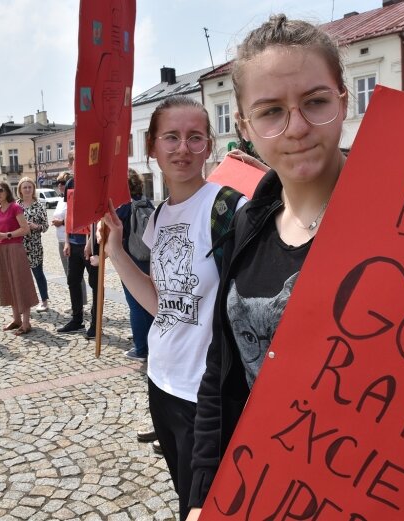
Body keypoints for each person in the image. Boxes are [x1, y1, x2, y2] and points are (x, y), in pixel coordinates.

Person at [186, 16, 349, 519]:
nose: (296, 127)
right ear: (244, 126)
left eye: (316, 102)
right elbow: (221, 371)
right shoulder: (247, 226)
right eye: (271, 111)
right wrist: (202, 494)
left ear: (344, 100)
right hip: (273, 488)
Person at [102, 95, 245, 520]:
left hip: (206, 393)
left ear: (210, 145)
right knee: (184, 495)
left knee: (203, 507)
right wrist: (114, 249)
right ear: (151, 146)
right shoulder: (160, 215)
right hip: (161, 381)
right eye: (171, 137)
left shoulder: (229, 208)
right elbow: (161, 303)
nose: (183, 148)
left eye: (195, 137)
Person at [0, 182, 39, 335]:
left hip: (16, 248)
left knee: (20, 282)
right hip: (2, 249)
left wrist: (6, 235)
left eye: (0, 190)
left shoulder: (15, 207)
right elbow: (0, 232)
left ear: (7, 191)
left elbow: (25, 229)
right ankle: (16, 319)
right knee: (8, 282)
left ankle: (26, 322)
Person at [115, 169, 155, 361]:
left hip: (130, 259)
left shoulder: (122, 207)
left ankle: (140, 349)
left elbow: (116, 236)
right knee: (150, 301)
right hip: (150, 258)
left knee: (135, 305)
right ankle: (152, 344)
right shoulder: (146, 202)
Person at [57, 176, 99, 339]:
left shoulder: (91, 181)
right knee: (73, 281)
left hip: (91, 244)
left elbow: (95, 217)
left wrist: (89, 243)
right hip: (74, 244)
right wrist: (67, 241)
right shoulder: (71, 183)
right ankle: (77, 320)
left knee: (95, 284)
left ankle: (96, 323)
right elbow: (69, 214)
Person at [52, 173, 87, 307]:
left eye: (62, 182)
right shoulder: (61, 200)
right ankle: (76, 303)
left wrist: (60, 222)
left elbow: (73, 218)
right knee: (69, 275)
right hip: (63, 239)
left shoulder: (73, 197)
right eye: (58, 183)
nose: (60, 185)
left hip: (75, 240)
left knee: (76, 275)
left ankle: (81, 303)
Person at [17, 176, 50, 312]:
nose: (27, 189)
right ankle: (24, 302)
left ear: (33, 189)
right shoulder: (16, 205)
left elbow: (46, 226)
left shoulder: (39, 205)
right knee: (21, 276)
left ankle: (44, 301)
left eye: (30, 187)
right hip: (19, 244)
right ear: (20, 190)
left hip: (34, 245)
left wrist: (35, 226)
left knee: (38, 273)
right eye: (24, 187)